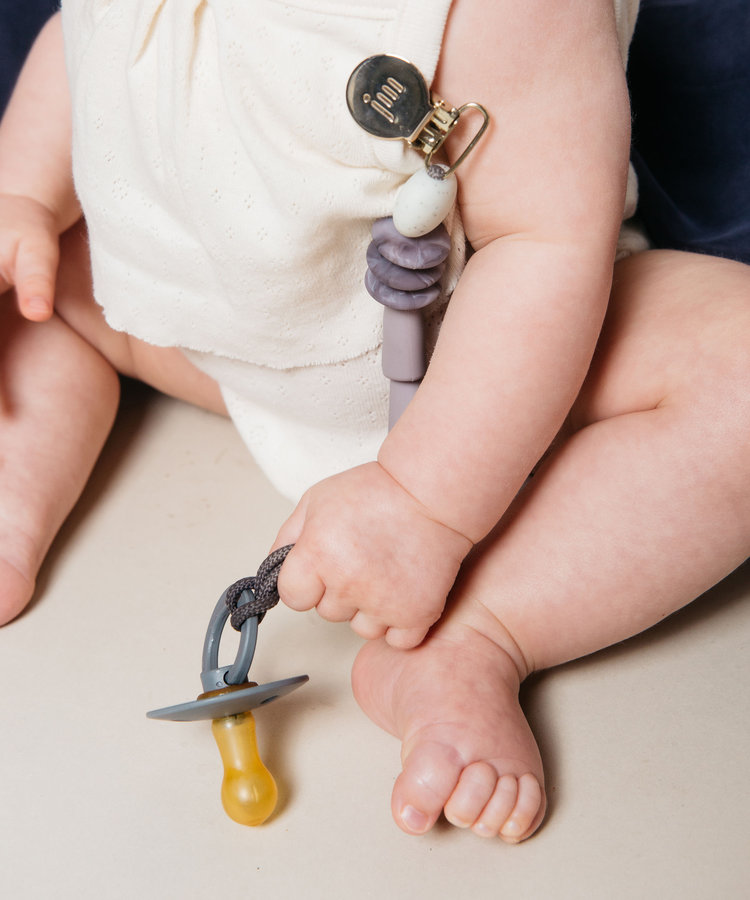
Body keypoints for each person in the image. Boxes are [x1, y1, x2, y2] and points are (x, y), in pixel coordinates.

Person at [1, 0, 748, 845]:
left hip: (487, 374)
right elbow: (84, 41)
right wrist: (21, 191)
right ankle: (12, 497)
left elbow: (542, 241)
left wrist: (422, 501)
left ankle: (479, 633)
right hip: (204, 331)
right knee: (30, 287)